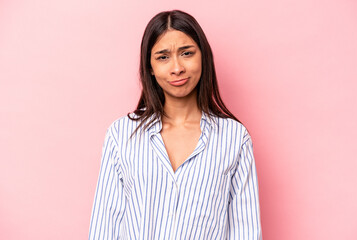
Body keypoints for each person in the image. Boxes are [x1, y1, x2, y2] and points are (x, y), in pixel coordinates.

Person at [89, 10, 262, 239]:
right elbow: (105, 225)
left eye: (187, 53)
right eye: (163, 57)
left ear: (203, 56)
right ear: (149, 66)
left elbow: (246, 232)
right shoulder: (121, 135)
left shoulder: (234, 138)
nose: (177, 68)